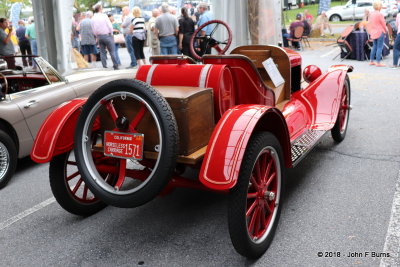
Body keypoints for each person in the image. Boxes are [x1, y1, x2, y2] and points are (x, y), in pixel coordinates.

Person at [91, 4, 119, 70]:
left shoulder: (93, 18)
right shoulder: (104, 16)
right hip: (107, 35)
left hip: (99, 36)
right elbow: (109, 26)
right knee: (112, 51)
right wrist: (111, 33)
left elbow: (93, 29)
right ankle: (115, 65)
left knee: (102, 52)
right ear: (100, 9)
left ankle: (104, 66)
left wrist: (97, 35)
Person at [367, 1, 387, 67]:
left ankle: (371, 61)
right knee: (379, 47)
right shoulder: (380, 14)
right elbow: (383, 24)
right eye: (381, 6)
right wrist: (385, 31)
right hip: (380, 31)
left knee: (374, 46)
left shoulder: (371, 14)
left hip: (373, 32)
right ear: (379, 7)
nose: (381, 7)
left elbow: (369, 24)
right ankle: (378, 62)